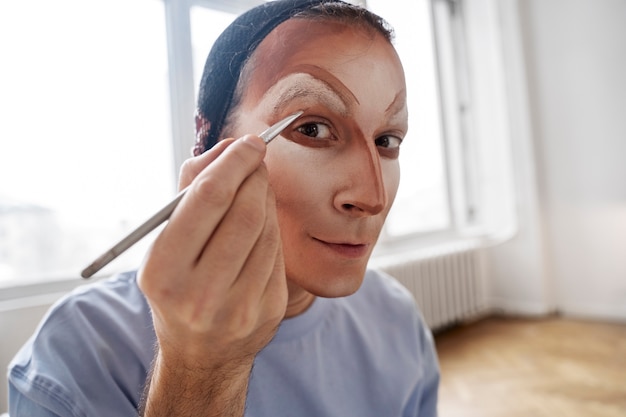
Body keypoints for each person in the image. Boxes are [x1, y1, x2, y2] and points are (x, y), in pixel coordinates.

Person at [7, 1, 440, 416]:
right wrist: (198, 373)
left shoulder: (397, 320)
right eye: (313, 128)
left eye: (387, 141)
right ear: (208, 143)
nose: (372, 196)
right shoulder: (73, 359)